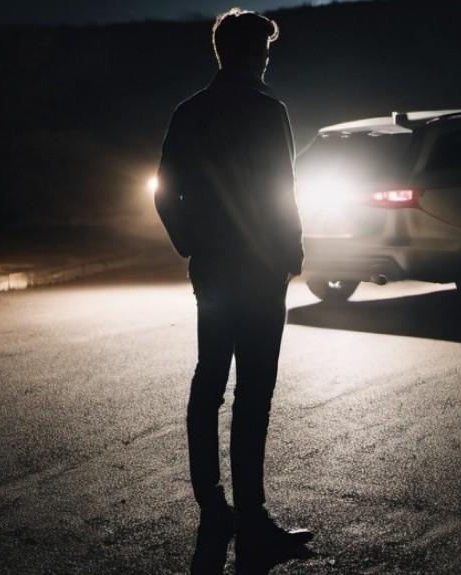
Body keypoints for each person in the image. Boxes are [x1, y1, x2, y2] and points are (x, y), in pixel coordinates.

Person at [153, 7, 311, 574]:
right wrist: (290, 255)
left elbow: (164, 193)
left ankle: (213, 509)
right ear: (249, 53)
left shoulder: (189, 111)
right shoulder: (270, 111)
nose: (267, 61)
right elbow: (282, 191)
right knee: (253, 393)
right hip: (261, 271)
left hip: (214, 270)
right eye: (263, 52)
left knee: (209, 385)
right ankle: (253, 518)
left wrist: (191, 245)